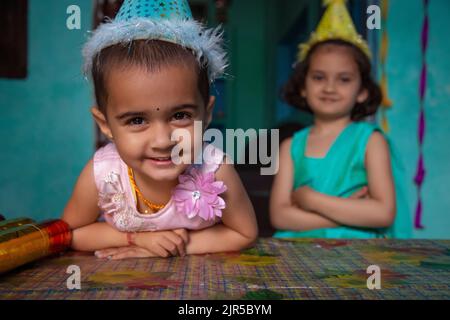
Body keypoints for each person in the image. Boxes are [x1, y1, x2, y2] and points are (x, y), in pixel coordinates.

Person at [62, 0, 258, 259]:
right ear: (106, 125)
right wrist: (137, 240)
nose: (162, 140)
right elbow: (69, 233)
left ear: (206, 113)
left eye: (180, 115)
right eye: (136, 120)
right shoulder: (102, 172)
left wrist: (171, 248)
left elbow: (244, 233)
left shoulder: (215, 169)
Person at [269, 0, 411, 239]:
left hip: (356, 252)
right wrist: (347, 215)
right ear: (303, 86)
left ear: (363, 90)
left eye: (344, 79)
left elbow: (383, 213)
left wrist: (310, 199)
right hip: (297, 252)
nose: (330, 87)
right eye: (318, 77)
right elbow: (280, 216)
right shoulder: (290, 147)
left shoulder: (370, 142)